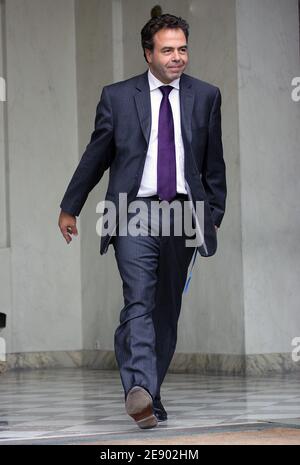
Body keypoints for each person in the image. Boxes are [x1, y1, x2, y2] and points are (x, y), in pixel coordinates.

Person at [58, 13, 226, 430]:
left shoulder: (206, 96)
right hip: (131, 211)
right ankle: (139, 390)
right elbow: (96, 156)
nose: (177, 57)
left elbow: (213, 164)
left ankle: (149, 391)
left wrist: (213, 215)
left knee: (165, 309)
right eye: (167, 50)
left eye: (182, 48)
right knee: (139, 299)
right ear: (147, 54)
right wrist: (71, 206)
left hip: (183, 213)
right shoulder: (117, 97)